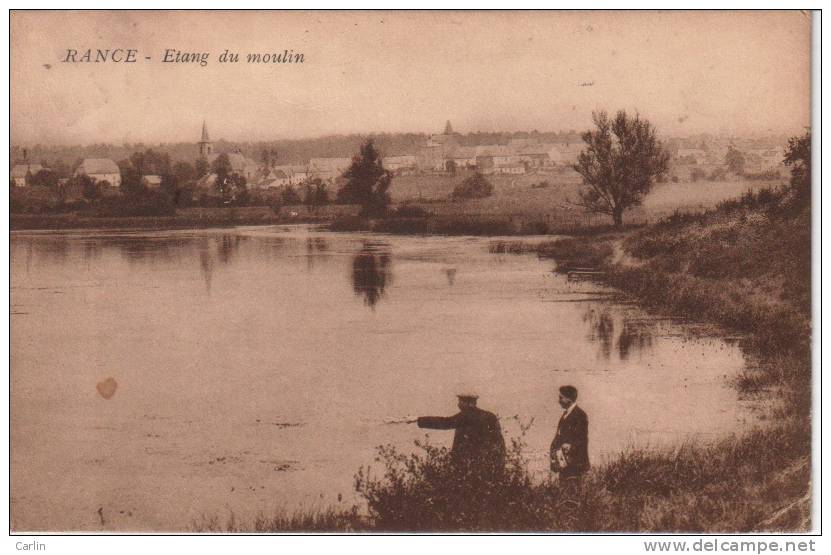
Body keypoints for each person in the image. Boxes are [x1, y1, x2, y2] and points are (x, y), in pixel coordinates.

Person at [416, 394, 506, 475]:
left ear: (469, 403)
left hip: (467, 464)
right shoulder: (490, 416)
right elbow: (499, 441)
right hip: (488, 463)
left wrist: (419, 420)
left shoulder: (465, 416)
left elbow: (445, 422)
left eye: (461, 401)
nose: (458, 404)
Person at [550, 385, 589, 484]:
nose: (559, 401)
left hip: (575, 464)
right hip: (564, 463)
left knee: (573, 493)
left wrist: (570, 446)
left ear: (569, 399)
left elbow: (582, 439)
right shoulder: (565, 415)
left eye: (561, 397)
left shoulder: (580, 415)